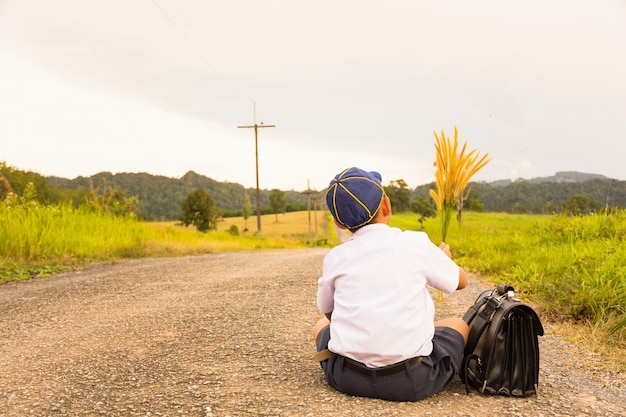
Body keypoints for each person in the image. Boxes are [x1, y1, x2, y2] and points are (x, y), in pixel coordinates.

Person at [313, 167, 469, 402]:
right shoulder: (415, 243)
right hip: (412, 381)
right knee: (459, 324)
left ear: (339, 223)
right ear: (386, 206)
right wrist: (443, 260)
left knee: (319, 326)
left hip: (347, 377)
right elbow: (461, 282)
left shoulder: (336, 257)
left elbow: (329, 313)